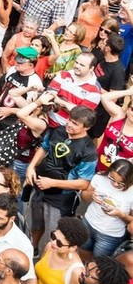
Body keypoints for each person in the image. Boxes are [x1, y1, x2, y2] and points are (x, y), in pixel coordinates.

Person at [27, 105, 98, 252]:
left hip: (60, 198)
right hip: (39, 186)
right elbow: (44, 147)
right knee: (35, 223)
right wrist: (31, 166)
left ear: (87, 127)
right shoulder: (58, 131)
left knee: (54, 233)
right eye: (70, 120)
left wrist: (53, 183)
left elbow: (83, 183)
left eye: (75, 124)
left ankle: (47, 258)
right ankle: (33, 247)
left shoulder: (88, 150)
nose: (69, 125)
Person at [30, 217, 90, 284]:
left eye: (59, 243)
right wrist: (33, 278)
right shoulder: (50, 247)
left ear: (72, 248)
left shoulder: (76, 272)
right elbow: (40, 269)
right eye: (53, 236)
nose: (53, 242)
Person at [78, 160, 133, 257]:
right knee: (83, 254)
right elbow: (84, 197)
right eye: (112, 179)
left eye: (121, 183)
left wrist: (120, 214)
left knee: (99, 265)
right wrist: (91, 195)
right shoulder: (99, 178)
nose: (115, 184)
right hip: (88, 223)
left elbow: (131, 221)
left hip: (110, 235)